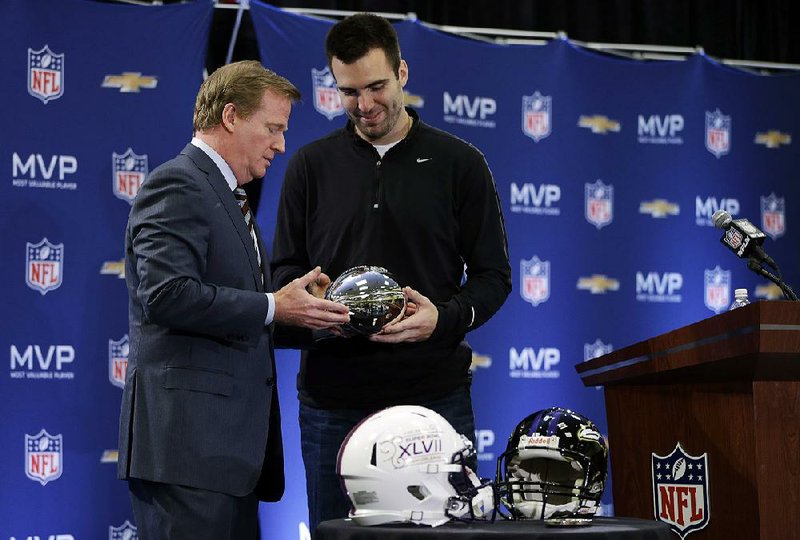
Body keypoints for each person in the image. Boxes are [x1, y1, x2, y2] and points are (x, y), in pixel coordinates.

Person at [271, 14, 512, 534]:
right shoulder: (309, 166)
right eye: (349, 91)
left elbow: (494, 277)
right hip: (332, 400)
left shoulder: (460, 163)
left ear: (402, 72)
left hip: (434, 395)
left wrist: (442, 320)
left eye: (377, 86)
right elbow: (284, 271)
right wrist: (314, 311)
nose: (365, 104)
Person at [117, 60, 350, 539]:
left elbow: (238, 312)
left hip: (229, 457)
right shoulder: (178, 183)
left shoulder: (229, 196)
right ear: (230, 116)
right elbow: (166, 295)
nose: (282, 145)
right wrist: (272, 305)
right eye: (273, 128)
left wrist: (313, 317)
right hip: (187, 454)